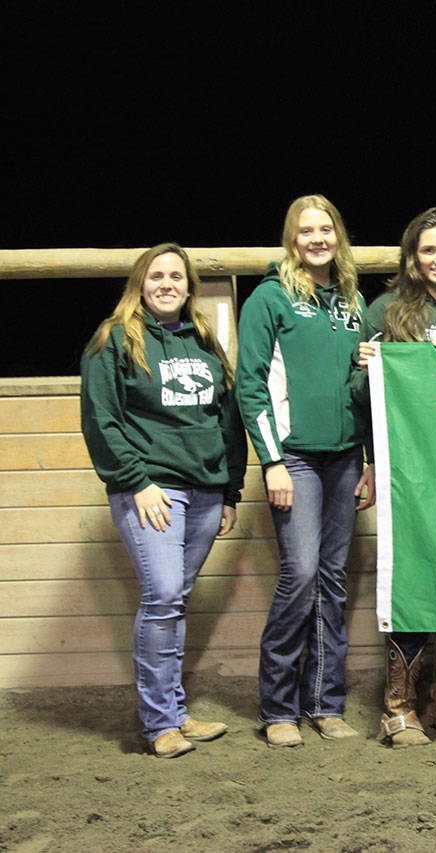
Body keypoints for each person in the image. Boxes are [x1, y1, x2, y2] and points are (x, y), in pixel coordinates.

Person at [81, 243, 247, 758]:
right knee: (164, 596)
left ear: (189, 286)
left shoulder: (203, 341)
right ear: (140, 283)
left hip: (204, 492)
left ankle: (175, 713)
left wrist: (229, 489)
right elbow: (101, 420)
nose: (167, 284)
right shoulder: (114, 340)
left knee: (174, 601)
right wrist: (137, 482)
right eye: (157, 276)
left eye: (177, 276)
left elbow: (226, 418)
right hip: (152, 489)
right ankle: (159, 724)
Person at [237, 194, 373, 747]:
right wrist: (271, 461)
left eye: (326, 229)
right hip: (294, 457)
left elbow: (357, 391)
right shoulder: (270, 299)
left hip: (344, 458)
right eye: (306, 231)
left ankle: (325, 703)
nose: (317, 239)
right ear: (291, 239)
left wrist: (364, 457)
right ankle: (278, 708)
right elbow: (251, 385)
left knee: (333, 581)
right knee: (300, 576)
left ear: (337, 236)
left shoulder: (352, 301)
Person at [355, 207, 436, 747]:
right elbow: (359, 400)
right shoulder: (383, 310)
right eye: (428, 250)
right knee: (409, 575)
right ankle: (398, 703)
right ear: (411, 257)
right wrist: (367, 370)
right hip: (407, 470)